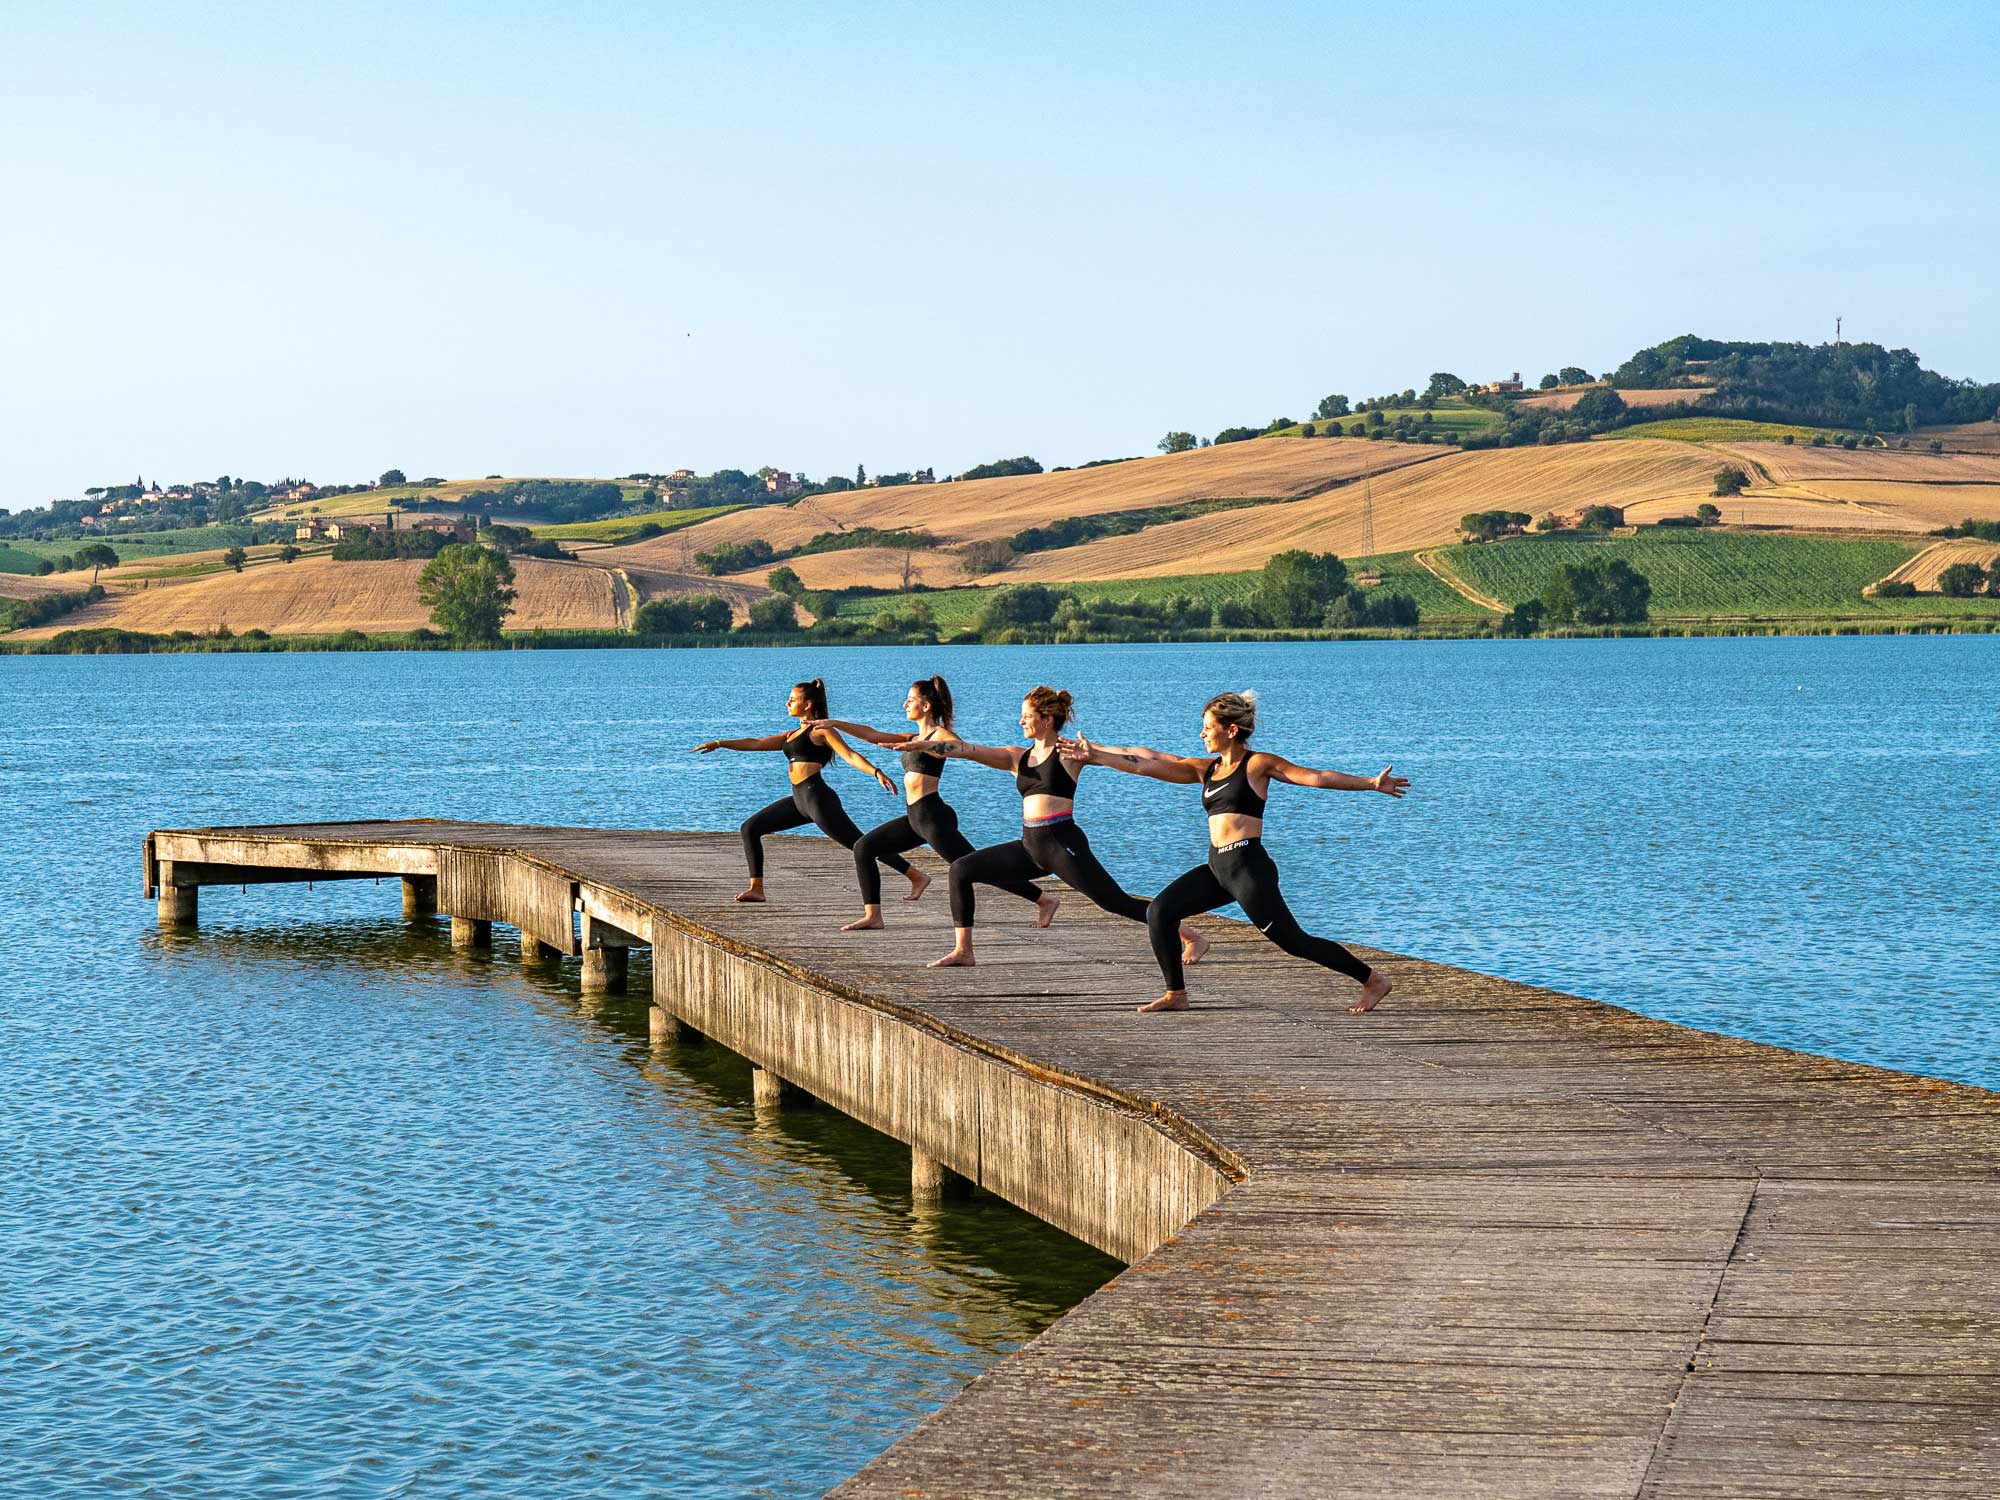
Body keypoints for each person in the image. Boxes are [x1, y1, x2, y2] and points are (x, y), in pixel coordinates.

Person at [1059, 690, 1407, 1014]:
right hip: (1217, 868)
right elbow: (1145, 761)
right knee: (1160, 912)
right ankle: (1176, 994)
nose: (1202, 734)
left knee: (1292, 941)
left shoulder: (1257, 765)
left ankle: (1372, 979)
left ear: (1231, 730)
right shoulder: (1205, 769)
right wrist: (1098, 755)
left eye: (1208, 727)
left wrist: (1370, 783)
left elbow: (1315, 777)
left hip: (1248, 867)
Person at [901, 685, 1204, 970]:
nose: (1021, 721)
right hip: (1029, 846)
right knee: (961, 870)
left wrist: (1185, 763)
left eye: (1028, 716)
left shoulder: (1069, 752)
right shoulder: (1017, 757)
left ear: (1047, 720)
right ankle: (964, 951)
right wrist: (925, 745)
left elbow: (1135, 753)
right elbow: (966, 749)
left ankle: (1190, 935)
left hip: (1061, 842)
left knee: (1114, 902)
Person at [812, 674, 1059, 932]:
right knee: (863, 848)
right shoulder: (910, 736)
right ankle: (873, 915)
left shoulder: (938, 734)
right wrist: (836, 723)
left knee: (976, 868)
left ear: (926, 705)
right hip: (914, 818)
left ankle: (1044, 900)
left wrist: (926, 745)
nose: (905, 705)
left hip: (933, 818)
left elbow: (956, 745)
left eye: (910, 700)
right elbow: (872, 735)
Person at [692, 677, 908, 903]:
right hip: (799, 800)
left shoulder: (822, 731)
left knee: (858, 843)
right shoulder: (791, 735)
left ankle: (913, 874)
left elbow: (850, 755)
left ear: (808, 704)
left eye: (792, 699)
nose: (787, 703)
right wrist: (719, 743)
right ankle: (756, 888)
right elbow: (755, 742)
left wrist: (876, 772)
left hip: (817, 798)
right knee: (750, 828)